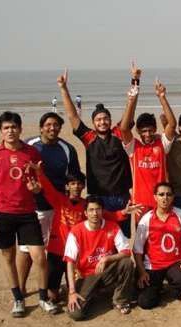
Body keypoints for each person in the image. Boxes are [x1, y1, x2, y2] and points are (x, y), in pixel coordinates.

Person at [0, 112, 58, 317]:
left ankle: (43, 298)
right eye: (6, 128)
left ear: (20, 129)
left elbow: (39, 183)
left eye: (14, 127)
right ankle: (18, 299)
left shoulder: (31, 152)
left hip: (27, 213)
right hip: (1, 213)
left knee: (39, 256)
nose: (10, 131)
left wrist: (36, 188)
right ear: (1, 131)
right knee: (9, 257)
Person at [28, 163, 136, 301]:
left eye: (79, 184)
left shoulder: (87, 207)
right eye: (72, 183)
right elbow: (48, 189)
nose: (76, 187)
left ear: (83, 186)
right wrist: (39, 173)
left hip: (75, 256)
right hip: (56, 251)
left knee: (77, 291)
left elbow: (108, 216)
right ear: (67, 186)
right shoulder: (59, 200)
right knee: (52, 296)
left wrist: (123, 212)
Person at [57, 66, 135, 236]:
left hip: (121, 196)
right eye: (98, 119)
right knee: (101, 235)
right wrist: (63, 88)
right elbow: (73, 117)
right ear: (93, 123)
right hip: (98, 197)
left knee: (122, 236)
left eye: (105, 118)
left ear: (110, 120)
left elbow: (129, 115)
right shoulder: (89, 138)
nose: (102, 122)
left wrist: (135, 84)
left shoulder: (118, 133)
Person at [18, 112, 81, 295]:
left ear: (60, 128)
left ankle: (53, 286)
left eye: (56, 125)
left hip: (57, 208)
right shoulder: (29, 146)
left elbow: (74, 178)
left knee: (57, 250)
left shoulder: (67, 149)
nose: (52, 128)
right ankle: (21, 288)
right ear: (41, 127)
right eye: (48, 125)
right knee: (27, 249)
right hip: (32, 207)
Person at [65, 196, 135, 320]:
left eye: (98, 209)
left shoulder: (113, 227)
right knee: (76, 314)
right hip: (87, 276)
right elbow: (70, 262)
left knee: (126, 262)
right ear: (85, 213)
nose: (95, 213)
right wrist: (71, 291)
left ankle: (120, 300)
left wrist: (106, 259)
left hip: (106, 272)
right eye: (91, 210)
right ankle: (91, 295)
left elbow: (126, 252)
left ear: (103, 211)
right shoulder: (76, 232)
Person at [120, 78, 176, 220]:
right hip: (140, 203)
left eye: (150, 130)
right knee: (142, 241)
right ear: (138, 131)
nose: (147, 134)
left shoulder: (162, 144)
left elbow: (172, 124)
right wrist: (131, 100)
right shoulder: (134, 147)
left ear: (155, 129)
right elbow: (124, 128)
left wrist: (162, 97)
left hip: (162, 201)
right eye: (143, 131)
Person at [134, 182, 181, 309]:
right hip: (153, 265)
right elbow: (137, 249)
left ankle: (170, 290)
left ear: (173, 197)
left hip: (176, 263)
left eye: (169, 194)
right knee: (145, 303)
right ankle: (157, 288)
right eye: (161, 194)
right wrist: (141, 272)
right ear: (155, 197)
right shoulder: (146, 219)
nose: (165, 198)